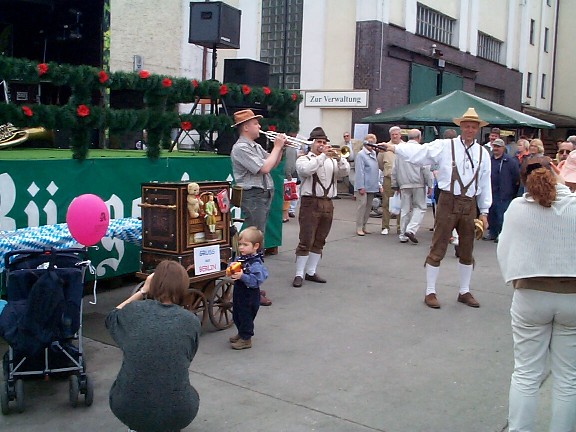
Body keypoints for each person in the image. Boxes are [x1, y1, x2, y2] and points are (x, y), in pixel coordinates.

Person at [381, 107, 491, 309]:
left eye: (473, 126)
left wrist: (484, 211)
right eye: (466, 126)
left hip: (469, 203)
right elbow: (420, 153)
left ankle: (464, 291)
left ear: (477, 129)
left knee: (467, 249)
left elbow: (485, 183)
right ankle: (430, 291)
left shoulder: (483, 153)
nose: (469, 129)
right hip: (448, 201)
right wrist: (395, 148)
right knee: (438, 246)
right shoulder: (445, 146)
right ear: (460, 127)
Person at [497, 157, 576, 432]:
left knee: (526, 373)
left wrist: (515, 278)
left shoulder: (518, 207)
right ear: (557, 170)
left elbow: (504, 250)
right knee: (568, 378)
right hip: (573, 296)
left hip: (531, 293)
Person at [106, 260, 200, 432]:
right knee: (181, 396)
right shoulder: (191, 321)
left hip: (127, 406)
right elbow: (187, 357)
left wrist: (143, 291)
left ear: (153, 284)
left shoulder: (133, 312)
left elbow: (112, 316)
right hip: (178, 411)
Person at [230, 109, 285, 306]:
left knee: (257, 239)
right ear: (246, 127)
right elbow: (264, 168)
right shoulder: (241, 148)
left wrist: (280, 148)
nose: (259, 127)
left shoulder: (253, 145)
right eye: (256, 124)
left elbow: (273, 162)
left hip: (262, 194)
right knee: (252, 240)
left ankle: (254, 279)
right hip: (252, 195)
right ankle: (249, 282)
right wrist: (277, 146)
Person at [292, 127, 350, 287]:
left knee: (320, 239)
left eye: (324, 142)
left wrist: (339, 158)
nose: (322, 145)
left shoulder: (331, 160)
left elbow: (345, 173)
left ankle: (311, 271)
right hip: (310, 203)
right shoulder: (303, 159)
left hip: (328, 203)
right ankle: (299, 274)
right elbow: (306, 170)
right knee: (306, 239)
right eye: (319, 142)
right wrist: (323, 155)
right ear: (312, 143)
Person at [228, 227, 268, 350]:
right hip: (239, 291)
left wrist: (242, 276)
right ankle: (241, 333)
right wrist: (231, 270)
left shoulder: (255, 263)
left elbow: (256, 281)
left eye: (245, 245)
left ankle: (246, 338)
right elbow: (234, 264)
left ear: (255, 246)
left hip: (249, 294)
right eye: (240, 244)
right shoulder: (242, 257)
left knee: (246, 315)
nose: (241, 247)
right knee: (237, 314)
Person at [391, 128, 433, 244]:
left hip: (403, 183)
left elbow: (394, 169)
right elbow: (426, 169)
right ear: (419, 138)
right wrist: (430, 184)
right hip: (418, 183)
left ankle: (402, 234)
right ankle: (411, 229)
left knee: (405, 209)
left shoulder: (400, 150)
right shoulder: (422, 149)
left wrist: (395, 185)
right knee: (420, 207)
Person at [483, 138, 520, 242]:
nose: (496, 149)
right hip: (491, 192)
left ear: (503, 148)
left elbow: (516, 177)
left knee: (502, 216)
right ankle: (492, 233)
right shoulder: (489, 160)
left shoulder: (510, 161)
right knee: (492, 215)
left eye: (498, 147)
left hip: (504, 193)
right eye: (494, 146)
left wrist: (511, 191)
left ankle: (502, 234)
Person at [378, 126, 403, 235]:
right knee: (386, 203)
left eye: (396, 134)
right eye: (393, 134)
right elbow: (380, 164)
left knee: (401, 203)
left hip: (401, 179)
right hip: (388, 179)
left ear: (400, 135)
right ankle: (385, 227)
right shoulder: (384, 148)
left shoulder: (405, 147)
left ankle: (400, 227)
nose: (394, 136)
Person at [354, 134, 380, 236]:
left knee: (369, 207)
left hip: (372, 186)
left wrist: (378, 184)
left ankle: (364, 226)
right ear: (365, 143)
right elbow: (360, 171)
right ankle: (359, 227)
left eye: (372, 142)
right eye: (369, 141)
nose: (371, 144)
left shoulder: (374, 153)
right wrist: (361, 186)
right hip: (363, 186)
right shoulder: (361, 155)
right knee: (361, 207)